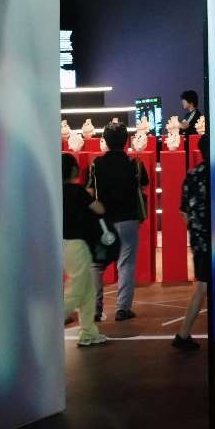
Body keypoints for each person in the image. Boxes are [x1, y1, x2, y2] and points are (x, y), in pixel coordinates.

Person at [87, 122, 149, 321]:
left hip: (103, 222)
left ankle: (95, 309)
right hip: (129, 218)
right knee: (126, 264)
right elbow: (144, 186)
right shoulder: (135, 163)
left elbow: (90, 192)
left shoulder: (96, 164)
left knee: (97, 265)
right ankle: (123, 309)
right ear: (126, 141)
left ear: (105, 141)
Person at [62, 153, 108, 348]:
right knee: (76, 290)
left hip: (63, 243)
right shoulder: (76, 191)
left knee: (88, 291)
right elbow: (99, 209)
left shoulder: (55, 190)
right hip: (77, 245)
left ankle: (88, 333)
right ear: (73, 170)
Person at [173, 134, 211, 351]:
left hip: (200, 242)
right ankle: (183, 334)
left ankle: (184, 334)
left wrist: (196, 229)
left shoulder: (193, 174)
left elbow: (183, 211)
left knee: (202, 285)